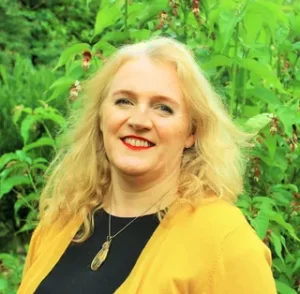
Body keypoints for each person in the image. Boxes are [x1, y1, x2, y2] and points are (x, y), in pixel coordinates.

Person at [18, 37, 277, 294]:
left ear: (192, 131)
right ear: (100, 116)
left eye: (163, 108)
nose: (139, 120)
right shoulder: (62, 220)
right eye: (124, 101)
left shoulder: (225, 244)